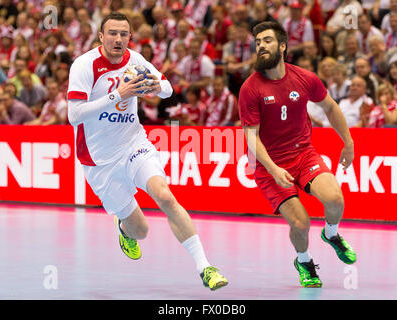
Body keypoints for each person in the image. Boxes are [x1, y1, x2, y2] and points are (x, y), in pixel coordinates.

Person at [66, 12, 228, 290]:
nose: (119, 39)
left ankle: (206, 267)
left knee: (164, 195)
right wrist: (120, 95)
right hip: (99, 161)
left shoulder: (135, 60)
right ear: (101, 36)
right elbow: (74, 114)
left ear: (130, 37)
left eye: (124, 34)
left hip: (133, 144)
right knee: (140, 230)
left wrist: (156, 86)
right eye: (113, 33)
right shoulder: (84, 65)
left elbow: (166, 88)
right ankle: (123, 228)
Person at [238, 21, 356, 288]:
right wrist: (272, 167)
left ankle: (331, 233)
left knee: (335, 199)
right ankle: (304, 261)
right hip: (269, 165)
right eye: (258, 43)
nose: (261, 46)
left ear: (282, 46)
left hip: (303, 154)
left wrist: (347, 142)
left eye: (267, 41)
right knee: (301, 224)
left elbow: (329, 106)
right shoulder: (250, 88)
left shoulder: (304, 78)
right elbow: (250, 137)